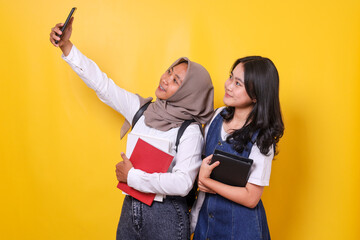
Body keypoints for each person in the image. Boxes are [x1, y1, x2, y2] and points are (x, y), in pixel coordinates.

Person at [49, 17, 214, 240]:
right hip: (131, 207)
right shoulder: (143, 110)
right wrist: (67, 46)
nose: (165, 79)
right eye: (169, 71)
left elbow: (183, 183)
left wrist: (132, 176)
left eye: (176, 80)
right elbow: (102, 85)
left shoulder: (190, 131)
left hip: (166, 216)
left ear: (190, 93)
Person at [190, 56, 284, 240]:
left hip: (242, 230)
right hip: (207, 226)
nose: (229, 85)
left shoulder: (262, 137)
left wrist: (207, 182)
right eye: (231, 77)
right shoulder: (216, 116)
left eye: (238, 83)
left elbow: (251, 198)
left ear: (256, 95)